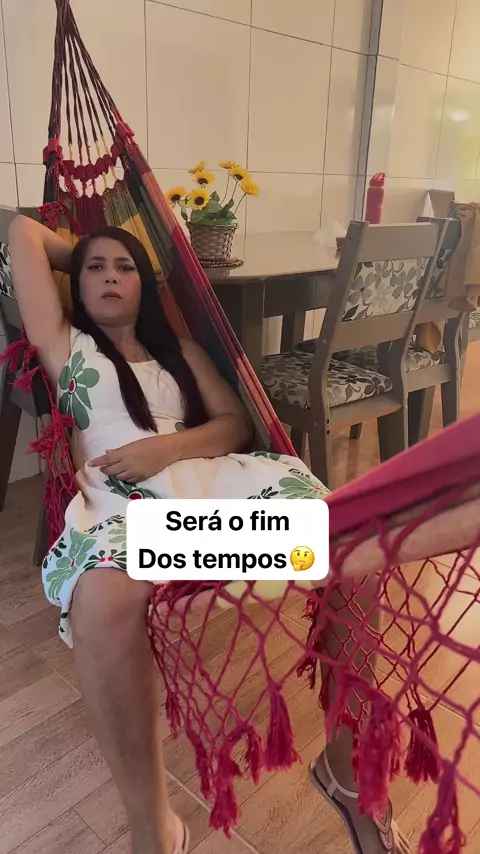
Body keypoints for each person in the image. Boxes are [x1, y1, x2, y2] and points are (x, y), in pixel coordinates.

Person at [9, 215, 410, 854]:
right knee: (103, 596)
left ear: (146, 286)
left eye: (125, 268)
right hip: (135, 514)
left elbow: (234, 426)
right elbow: (23, 234)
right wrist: (88, 252)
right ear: (74, 283)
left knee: (351, 546)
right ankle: (155, 826)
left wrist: (165, 449)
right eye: (95, 268)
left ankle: (348, 769)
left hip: (215, 492)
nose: (110, 276)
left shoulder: (180, 352)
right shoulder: (66, 346)